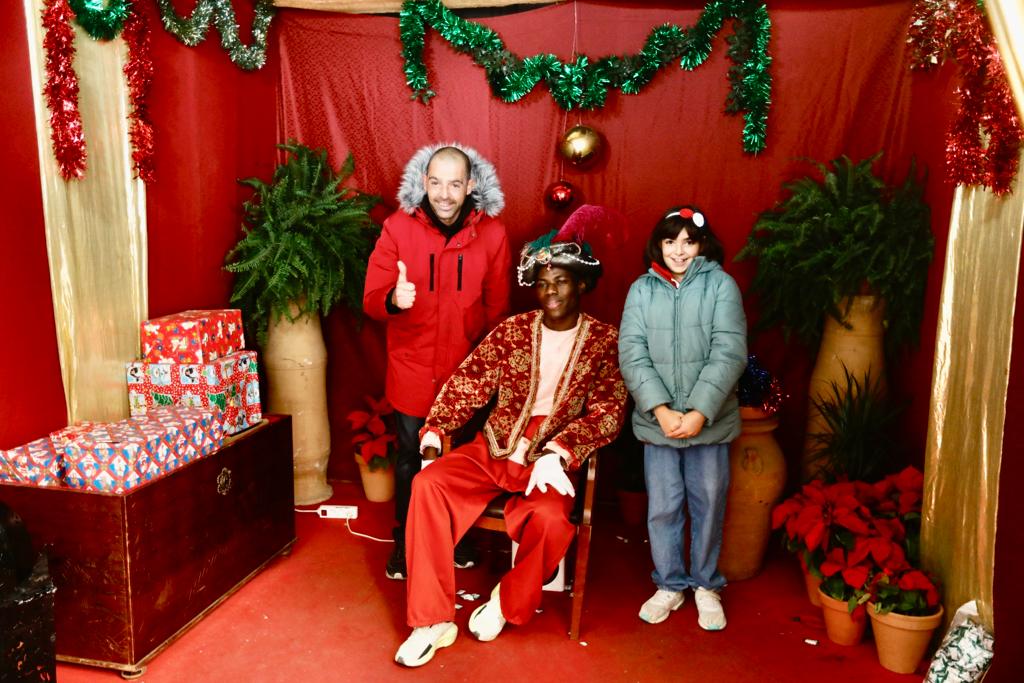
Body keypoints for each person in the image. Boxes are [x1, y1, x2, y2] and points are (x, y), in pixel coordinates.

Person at [393, 205, 628, 667]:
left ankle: (505, 602)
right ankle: (432, 621)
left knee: (553, 521)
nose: (550, 291)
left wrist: (561, 452)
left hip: (549, 461)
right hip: (494, 446)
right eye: (542, 282)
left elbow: (609, 410)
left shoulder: (604, 341)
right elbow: (470, 379)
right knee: (427, 485)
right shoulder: (513, 330)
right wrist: (437, 430)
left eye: (560, 280)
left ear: (581, 283)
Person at [363, 143, 511, 580]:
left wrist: (486, 373)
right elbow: (371, 299)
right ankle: (406, 547)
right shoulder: (396, 228)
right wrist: (393, 298)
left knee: (461, 462)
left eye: (454, 183)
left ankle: (458, 539)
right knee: (411, 460)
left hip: (465, 374)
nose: (444, 194)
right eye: (436, 182)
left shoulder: (494, 234)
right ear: (423, 182)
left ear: (470, 185)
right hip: (411, 368)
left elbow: (497, 310)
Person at [618, 205, 747, 631]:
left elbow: (728, 352)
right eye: (670, 241)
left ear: (703, 244)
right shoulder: (642, 290)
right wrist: (659, 408)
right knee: (663, 506)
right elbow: (632, 352)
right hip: (659, 423)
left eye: (688, 242)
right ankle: (670, 584)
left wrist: (698, 412)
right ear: (658, 244)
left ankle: (706, 585)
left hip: (706, 423)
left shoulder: (722, 287)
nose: (678, 250)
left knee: (709, 502)